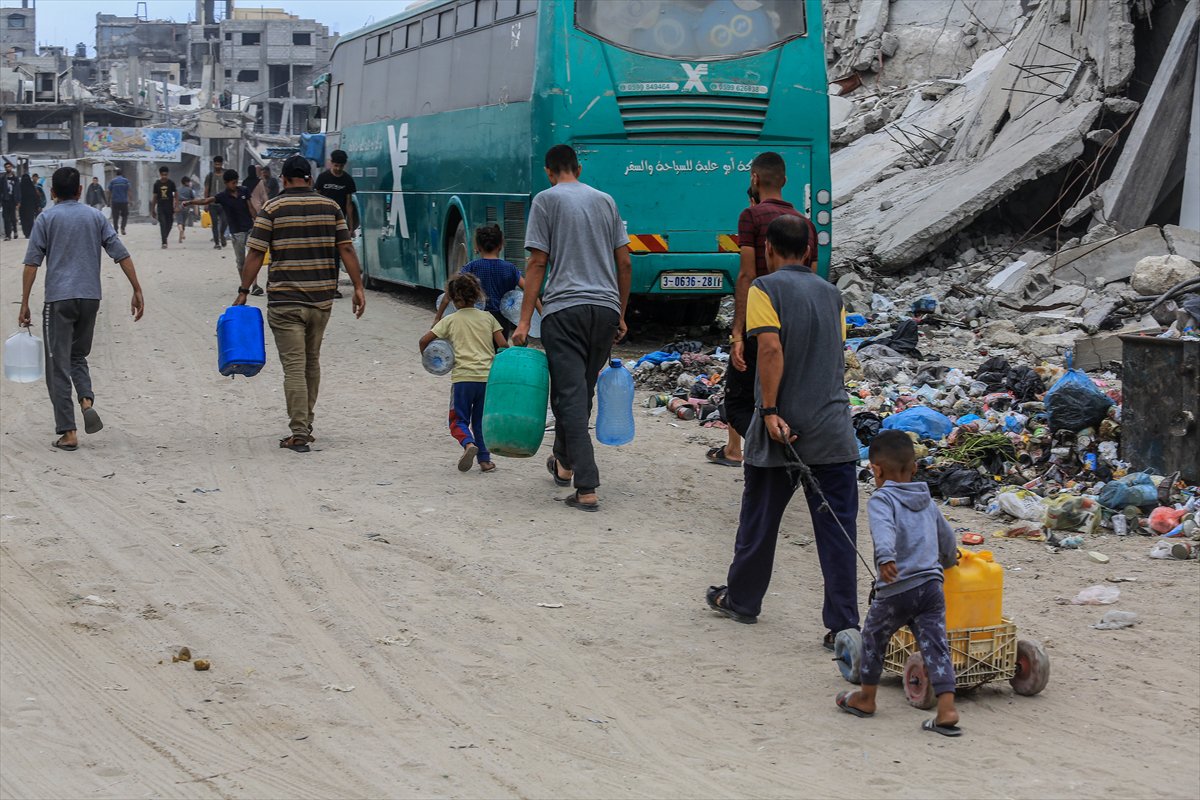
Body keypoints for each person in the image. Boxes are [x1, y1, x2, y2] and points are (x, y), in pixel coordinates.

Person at [705, 215, 859, 648]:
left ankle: (743, 600)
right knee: (838, 530)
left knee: (760, 519)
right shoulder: (833, 295)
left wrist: (770, 408)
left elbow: (770, 347)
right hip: (832, 429)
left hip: (782, 429)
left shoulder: (764, 289)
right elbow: (833, 350)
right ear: (809, 251)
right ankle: (843, 626)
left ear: (769, 250)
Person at [513, 144, 631, 512]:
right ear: (578, 168)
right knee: (580, 390)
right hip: (605, 311)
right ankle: (563, 465)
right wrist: (621, 312)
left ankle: (587, 485)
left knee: (569, 396)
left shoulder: (546, 200)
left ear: (550, 172)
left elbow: (536, 263)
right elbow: (624, 263)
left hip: (564, 310)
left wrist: (523, 320)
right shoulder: (606, 201)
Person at [233, 154, 366, 453]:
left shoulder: (272, 208)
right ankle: (306, 423)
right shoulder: (330, 207)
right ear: (308, 177)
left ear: (283, 178)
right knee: (311, 361)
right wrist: (358, 286)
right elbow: (345, 247)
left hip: (285, 301)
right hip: (321, 299)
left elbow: (255, 254)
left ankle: (299, 431)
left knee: (293, 366)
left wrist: (243, 289)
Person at [835, 430, 961, 737]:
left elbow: (883, 529)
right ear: (915, 467)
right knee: (936, 645)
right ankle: (946, 708)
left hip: (897, 588)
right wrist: (947, 562)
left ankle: (867, 697)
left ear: (876, 470)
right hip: (931, 587)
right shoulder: (928, 502)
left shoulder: (882, 499)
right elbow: (947, 539)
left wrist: (886, 559)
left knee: (874, 639)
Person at [17, 166, 145, 451]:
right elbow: (119, 252)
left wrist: (25, 302)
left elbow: (32, 264)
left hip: (59, 300)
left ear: (52, 193)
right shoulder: (95, 216)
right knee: (77, 355)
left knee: (56, 365)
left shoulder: (46, 218)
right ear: (79, 191)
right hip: (90, 298)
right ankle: (86, 400)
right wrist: (136, 288)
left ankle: (68, 432)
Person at [708, 152, 812, 470]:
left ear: (754, 179)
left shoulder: (751, 217)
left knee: (740, 396)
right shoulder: (803, 224)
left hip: (761, 319)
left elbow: (746, 274)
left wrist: (737, 332)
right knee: (786, 388)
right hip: (797, 322)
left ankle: (755, 448)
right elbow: (814, 278)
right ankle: (768, 446)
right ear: (784, 181)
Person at [420, 272, 507, 473]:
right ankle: (485, 461)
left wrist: (434, 362)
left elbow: (424, 341)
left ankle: (468, 444)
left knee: (457, 421)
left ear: (450, 297)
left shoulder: (450, 321)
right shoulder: (488, 318)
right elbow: (503, 346)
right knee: (479, 421)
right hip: (486, 378)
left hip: (463, 379)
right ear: (478, 295)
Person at [433, 224, 536, 338]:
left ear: (477, 246)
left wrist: (438, 317)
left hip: (476, 319)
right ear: (501, 245)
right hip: (501, 321)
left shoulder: (471, 267)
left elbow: (451, 291)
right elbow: (530, 290)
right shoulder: (510, 268)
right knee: (499, 351)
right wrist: (542, 314)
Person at [185, 169, 263, 295]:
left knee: (252, 258)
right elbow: (206, 201)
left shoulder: (244, 191)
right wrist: (190, 202)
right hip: (237, 233)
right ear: (226, 183)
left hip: (249, 229)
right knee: (241, 262)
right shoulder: (222, 196)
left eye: (236, 182)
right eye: (233, 183)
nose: (235, 185)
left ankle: (255, 285)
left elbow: (250, 208)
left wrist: (258, 222)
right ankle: (245, 284)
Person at [315, 150, 358, 299]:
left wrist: (350, 226)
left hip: (338, 223)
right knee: (321, 255)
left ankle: (333, 287)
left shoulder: (347, 180)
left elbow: (349, 205)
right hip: (321, 222)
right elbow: (316, 198)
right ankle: (321, 286)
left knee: (335, 256)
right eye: (336, 165)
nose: (338, 168)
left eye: (341, 166)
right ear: (331, 163)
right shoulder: (322, 178)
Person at [150, 166, 178, 249]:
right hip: (160, 207)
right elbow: (154, 197)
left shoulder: (171, 183)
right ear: (160, 174)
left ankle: (164, 237)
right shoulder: (157, 184)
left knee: (169, 224)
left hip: (169, 207)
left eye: (165, 174)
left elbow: (176, 194)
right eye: (162, 175)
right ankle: (164, 242)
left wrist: (176, 205)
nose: (164, 176)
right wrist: (152, 209)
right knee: (162, 224)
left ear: (168, 174)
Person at [204, 155, 228, 249]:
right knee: (214, 224)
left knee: (225, 222)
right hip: (212, 204)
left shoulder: (226, 175)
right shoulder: (210, 176)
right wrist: (205, 203)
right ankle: (217, 243)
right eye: (216, 164)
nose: (217, 166)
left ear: (222, 164)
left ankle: (222, 235)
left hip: (224, 204)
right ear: (213, 164)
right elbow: (206, 190)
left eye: (219, 164)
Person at [107, 169, 130, 235]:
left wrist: (108, 201)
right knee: (125, 215)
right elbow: (129, 191)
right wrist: (130, 200)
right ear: (121, 174)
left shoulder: (113, 181)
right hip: (124, 202)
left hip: (115, 202)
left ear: (116, 174)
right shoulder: (125, 181)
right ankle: (122, 228)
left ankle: (115, 230)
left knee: (115, 217)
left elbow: (109, 192)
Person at [2, 160, 20, 240]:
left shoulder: (15, 179)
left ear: (11, 168)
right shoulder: (2, 179)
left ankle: (15, 231)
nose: (7, 168)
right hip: (5, 200)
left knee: (13, 218)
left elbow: (18, 190)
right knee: (6, 218)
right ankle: (7, 235)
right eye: (6, 167)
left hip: (13, 200)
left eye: (9, 167)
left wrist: (18, 201)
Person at [176, 175, 196, 243]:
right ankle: (181, 237)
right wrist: (194, 208)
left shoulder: (177, 189)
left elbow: (175, 198)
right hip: (186, 206)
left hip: (179, 205)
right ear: (186, 182)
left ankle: (181, 232)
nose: (190, 183)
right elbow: (193, 199)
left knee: (179, 221)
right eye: (189, 182)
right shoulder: (190, 190)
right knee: (183, 222)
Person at [18, 171, 37, 238]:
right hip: (30, 207)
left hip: (23, 207)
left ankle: (26, 233)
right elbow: (35, 196)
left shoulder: (20, 186)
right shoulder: (31, 186)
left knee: (24, 220)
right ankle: (29, 233)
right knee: (30, 219)